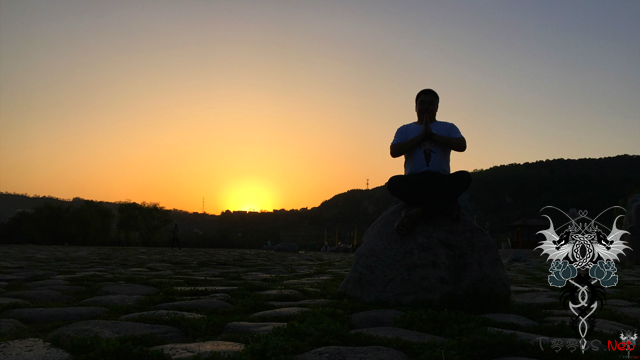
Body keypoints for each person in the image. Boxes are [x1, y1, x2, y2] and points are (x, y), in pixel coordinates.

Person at [387, 89, 472, 235]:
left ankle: (417, 211)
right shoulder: (405, 129)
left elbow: (461, 145)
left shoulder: (448, 127)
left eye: (431, 103)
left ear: (437, 107)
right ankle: (445, 206)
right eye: (422, 103)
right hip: (414, 181)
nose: (426, 107)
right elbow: (394, 151)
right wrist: (420, 137)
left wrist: (432, 136)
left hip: (440, 180)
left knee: (465, 177)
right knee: (393, 183)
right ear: (416, 107)